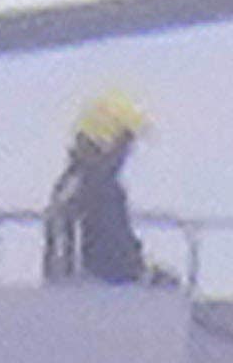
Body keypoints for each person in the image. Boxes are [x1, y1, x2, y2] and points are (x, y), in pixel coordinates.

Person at [41, 91, 158, 285]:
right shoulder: (102, 190)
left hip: (67, 294)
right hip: (98, 299)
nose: (127, 154)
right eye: (126, 142)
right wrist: (148, 276)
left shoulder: (68, 185)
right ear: (108, 141)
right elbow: (116, 258)